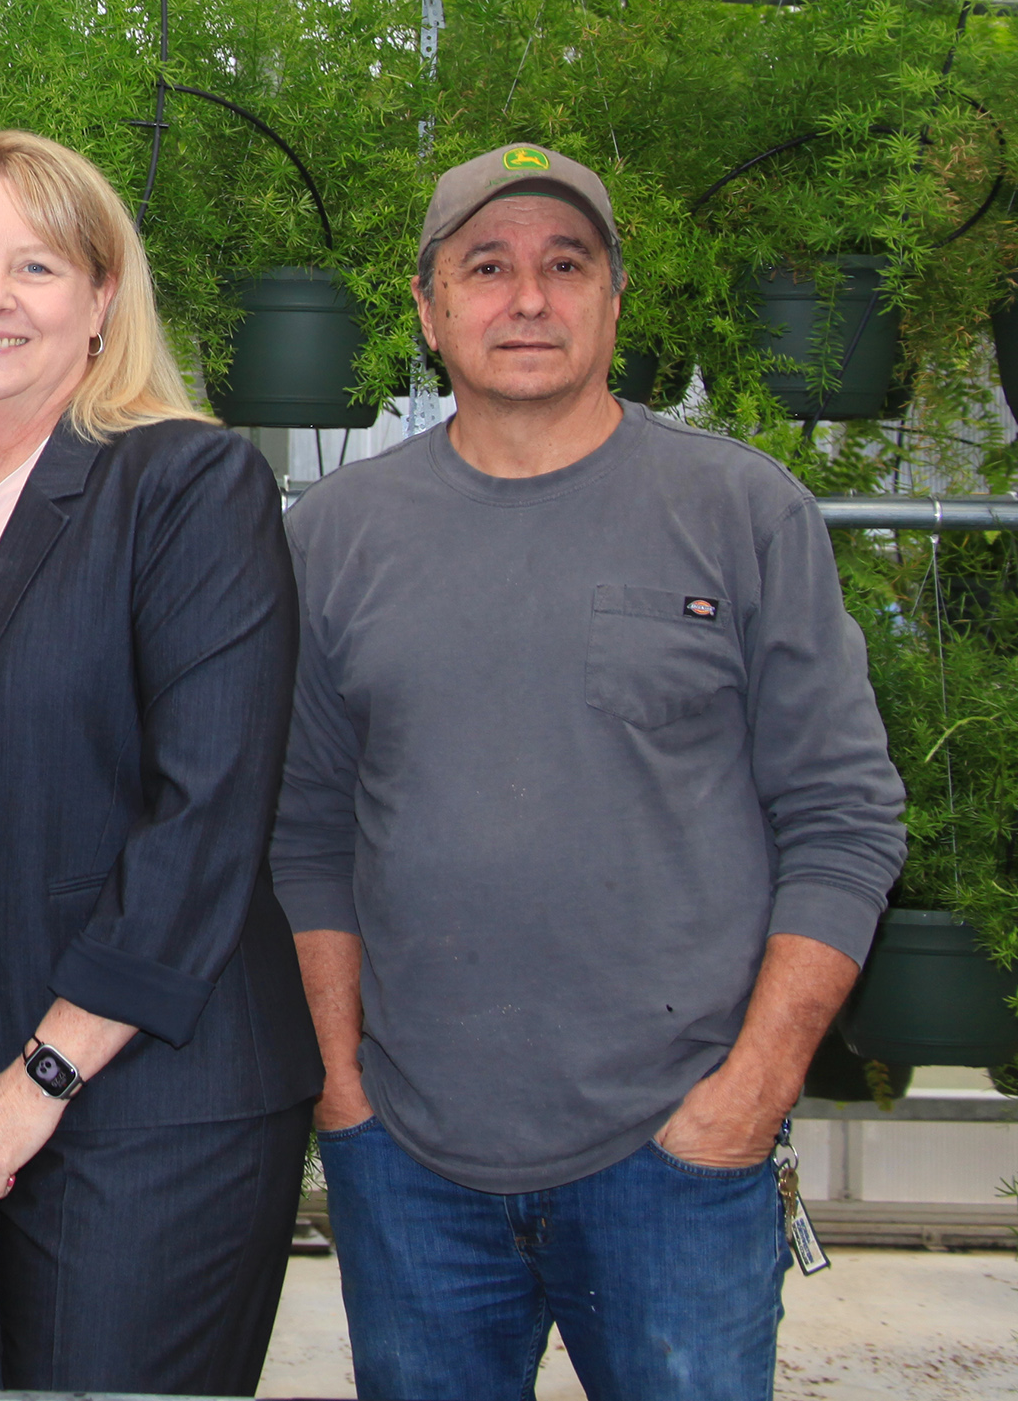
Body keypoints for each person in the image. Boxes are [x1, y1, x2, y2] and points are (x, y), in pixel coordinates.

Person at [275, 144, 910, 1401]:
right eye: (488, 267)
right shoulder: (335, 536)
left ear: (616, 299)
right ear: (428, 306)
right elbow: (307, 828)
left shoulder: (741, 509)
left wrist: (752, 1093)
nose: (528, 297)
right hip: (410, 1162)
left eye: (567, 266)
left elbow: (845, 821)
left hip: (676, 1159)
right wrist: (343, 1089)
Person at [0, 130, 321, 1396]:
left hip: (146, 1113)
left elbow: (205, 815)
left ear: (103, 299)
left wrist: (41, 1075)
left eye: (38, 265)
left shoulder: (184, 484)